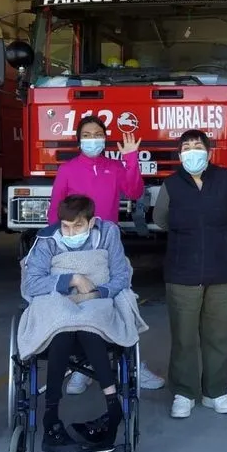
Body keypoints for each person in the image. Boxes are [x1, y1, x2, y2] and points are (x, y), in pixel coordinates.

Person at [46, 115, 165, 393]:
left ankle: (134, 363)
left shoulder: (113, 167)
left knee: (121, 301)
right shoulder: (68, 169)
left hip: (108, 247)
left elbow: (135, 191)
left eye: (97, 133)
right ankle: (82, 369)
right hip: (75, 248)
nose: (92, 138)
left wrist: (131, 159)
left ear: (104, 137)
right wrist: (54, 247)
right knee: (78, 304)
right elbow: (55, 211)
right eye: (86, 134)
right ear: (79, 140)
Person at [21, 195, 132, 452]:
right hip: (57, 301)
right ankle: (51, 417)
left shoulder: (108, 234)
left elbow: (120, 277)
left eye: (78, 226)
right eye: (66, 227)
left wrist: (99, 292)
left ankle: (112, 408)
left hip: (97, 299)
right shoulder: (47, 240)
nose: (70, 232)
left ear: (91, 222)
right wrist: (71, 278)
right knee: (63, 326)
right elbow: (32, 283)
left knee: (88, 325)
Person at [152, 130, 227, 418]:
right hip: (182, 272)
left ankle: (216, 391)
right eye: (187, 147)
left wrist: (219, 233)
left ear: (209, 153)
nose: (192, 152)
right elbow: (161, 219)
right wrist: (190, 236)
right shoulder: (171, 185)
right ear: (180, 154)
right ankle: (184, 393)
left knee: (217, 335)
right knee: (184, 337)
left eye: (198, 147)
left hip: (223, 269)